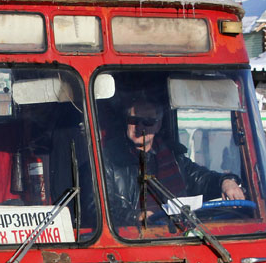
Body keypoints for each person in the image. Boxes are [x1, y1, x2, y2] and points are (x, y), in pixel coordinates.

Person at [103, 96, 245, 227]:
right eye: (134, 120)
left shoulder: (173, 157)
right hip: (131, 239)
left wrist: (226, 182)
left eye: (148, 121)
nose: (140, 127)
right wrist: (135, 216)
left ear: (158, 126)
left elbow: (202, 178)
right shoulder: (108, 159)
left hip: (174, 234)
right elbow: (97, 208)